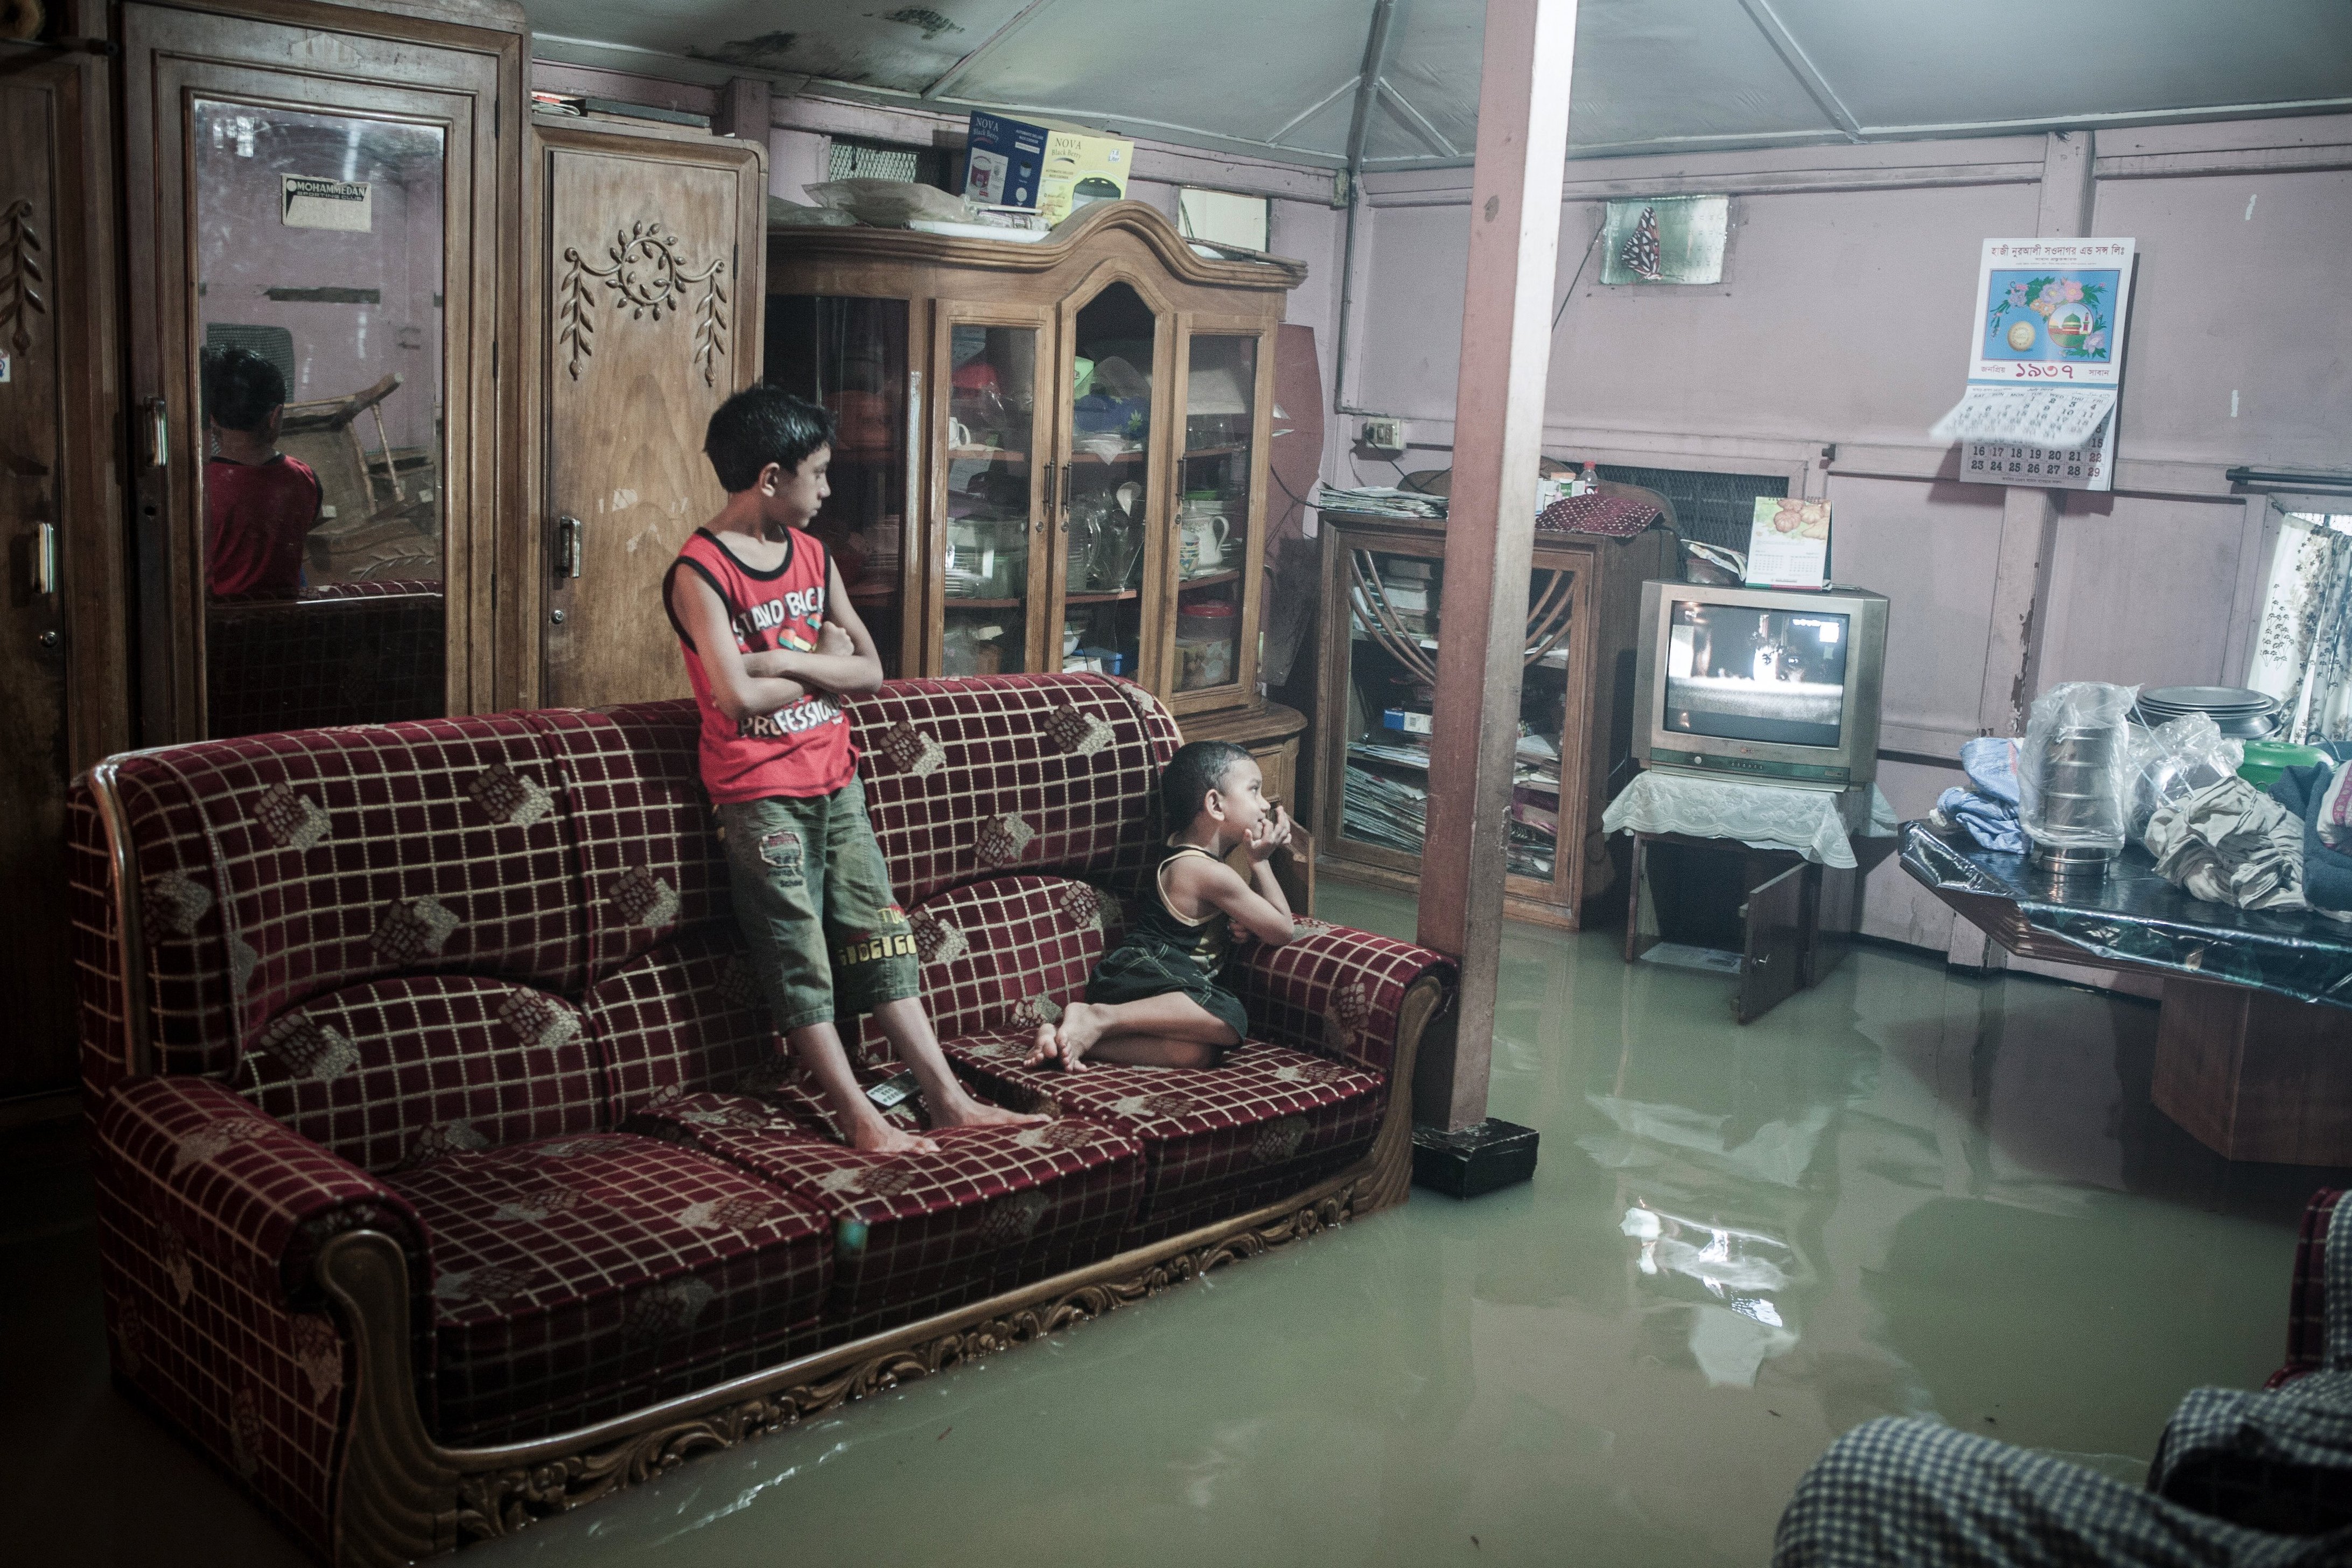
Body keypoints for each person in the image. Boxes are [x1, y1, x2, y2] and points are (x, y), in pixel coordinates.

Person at [666, 386, 1046, 1155]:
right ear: (771, 478)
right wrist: (818, 663)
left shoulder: (812, 555)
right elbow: (736, 699)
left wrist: (778, 658)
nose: (829, 490)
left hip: (838, 781)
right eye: (818, 473)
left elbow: (870, 669)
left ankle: (947, 1099)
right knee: (798, 953)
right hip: (759, 797)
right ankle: (860, 1119)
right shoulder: (700, 570)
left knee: (881, 936)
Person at [1027, 740, 1298, 1072]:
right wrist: (1260, 863)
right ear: (1215, 804)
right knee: (1230, 1015)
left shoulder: (1183, 850)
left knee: (1197, 1055)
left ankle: (1062, 1038)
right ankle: (1099, 1016)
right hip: (1145, 974)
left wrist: (1239, 924)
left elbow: (1262, 920)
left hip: (1147, 984)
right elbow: (1283, 930)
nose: (1265, 805)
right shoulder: (1207, 871)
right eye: (1254, 790)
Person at [201, 346, 320, 598]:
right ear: (275, 417)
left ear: (212, 417)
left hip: (220, 628)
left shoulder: (199, 484)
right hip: (283, 629)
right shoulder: (305, 479)